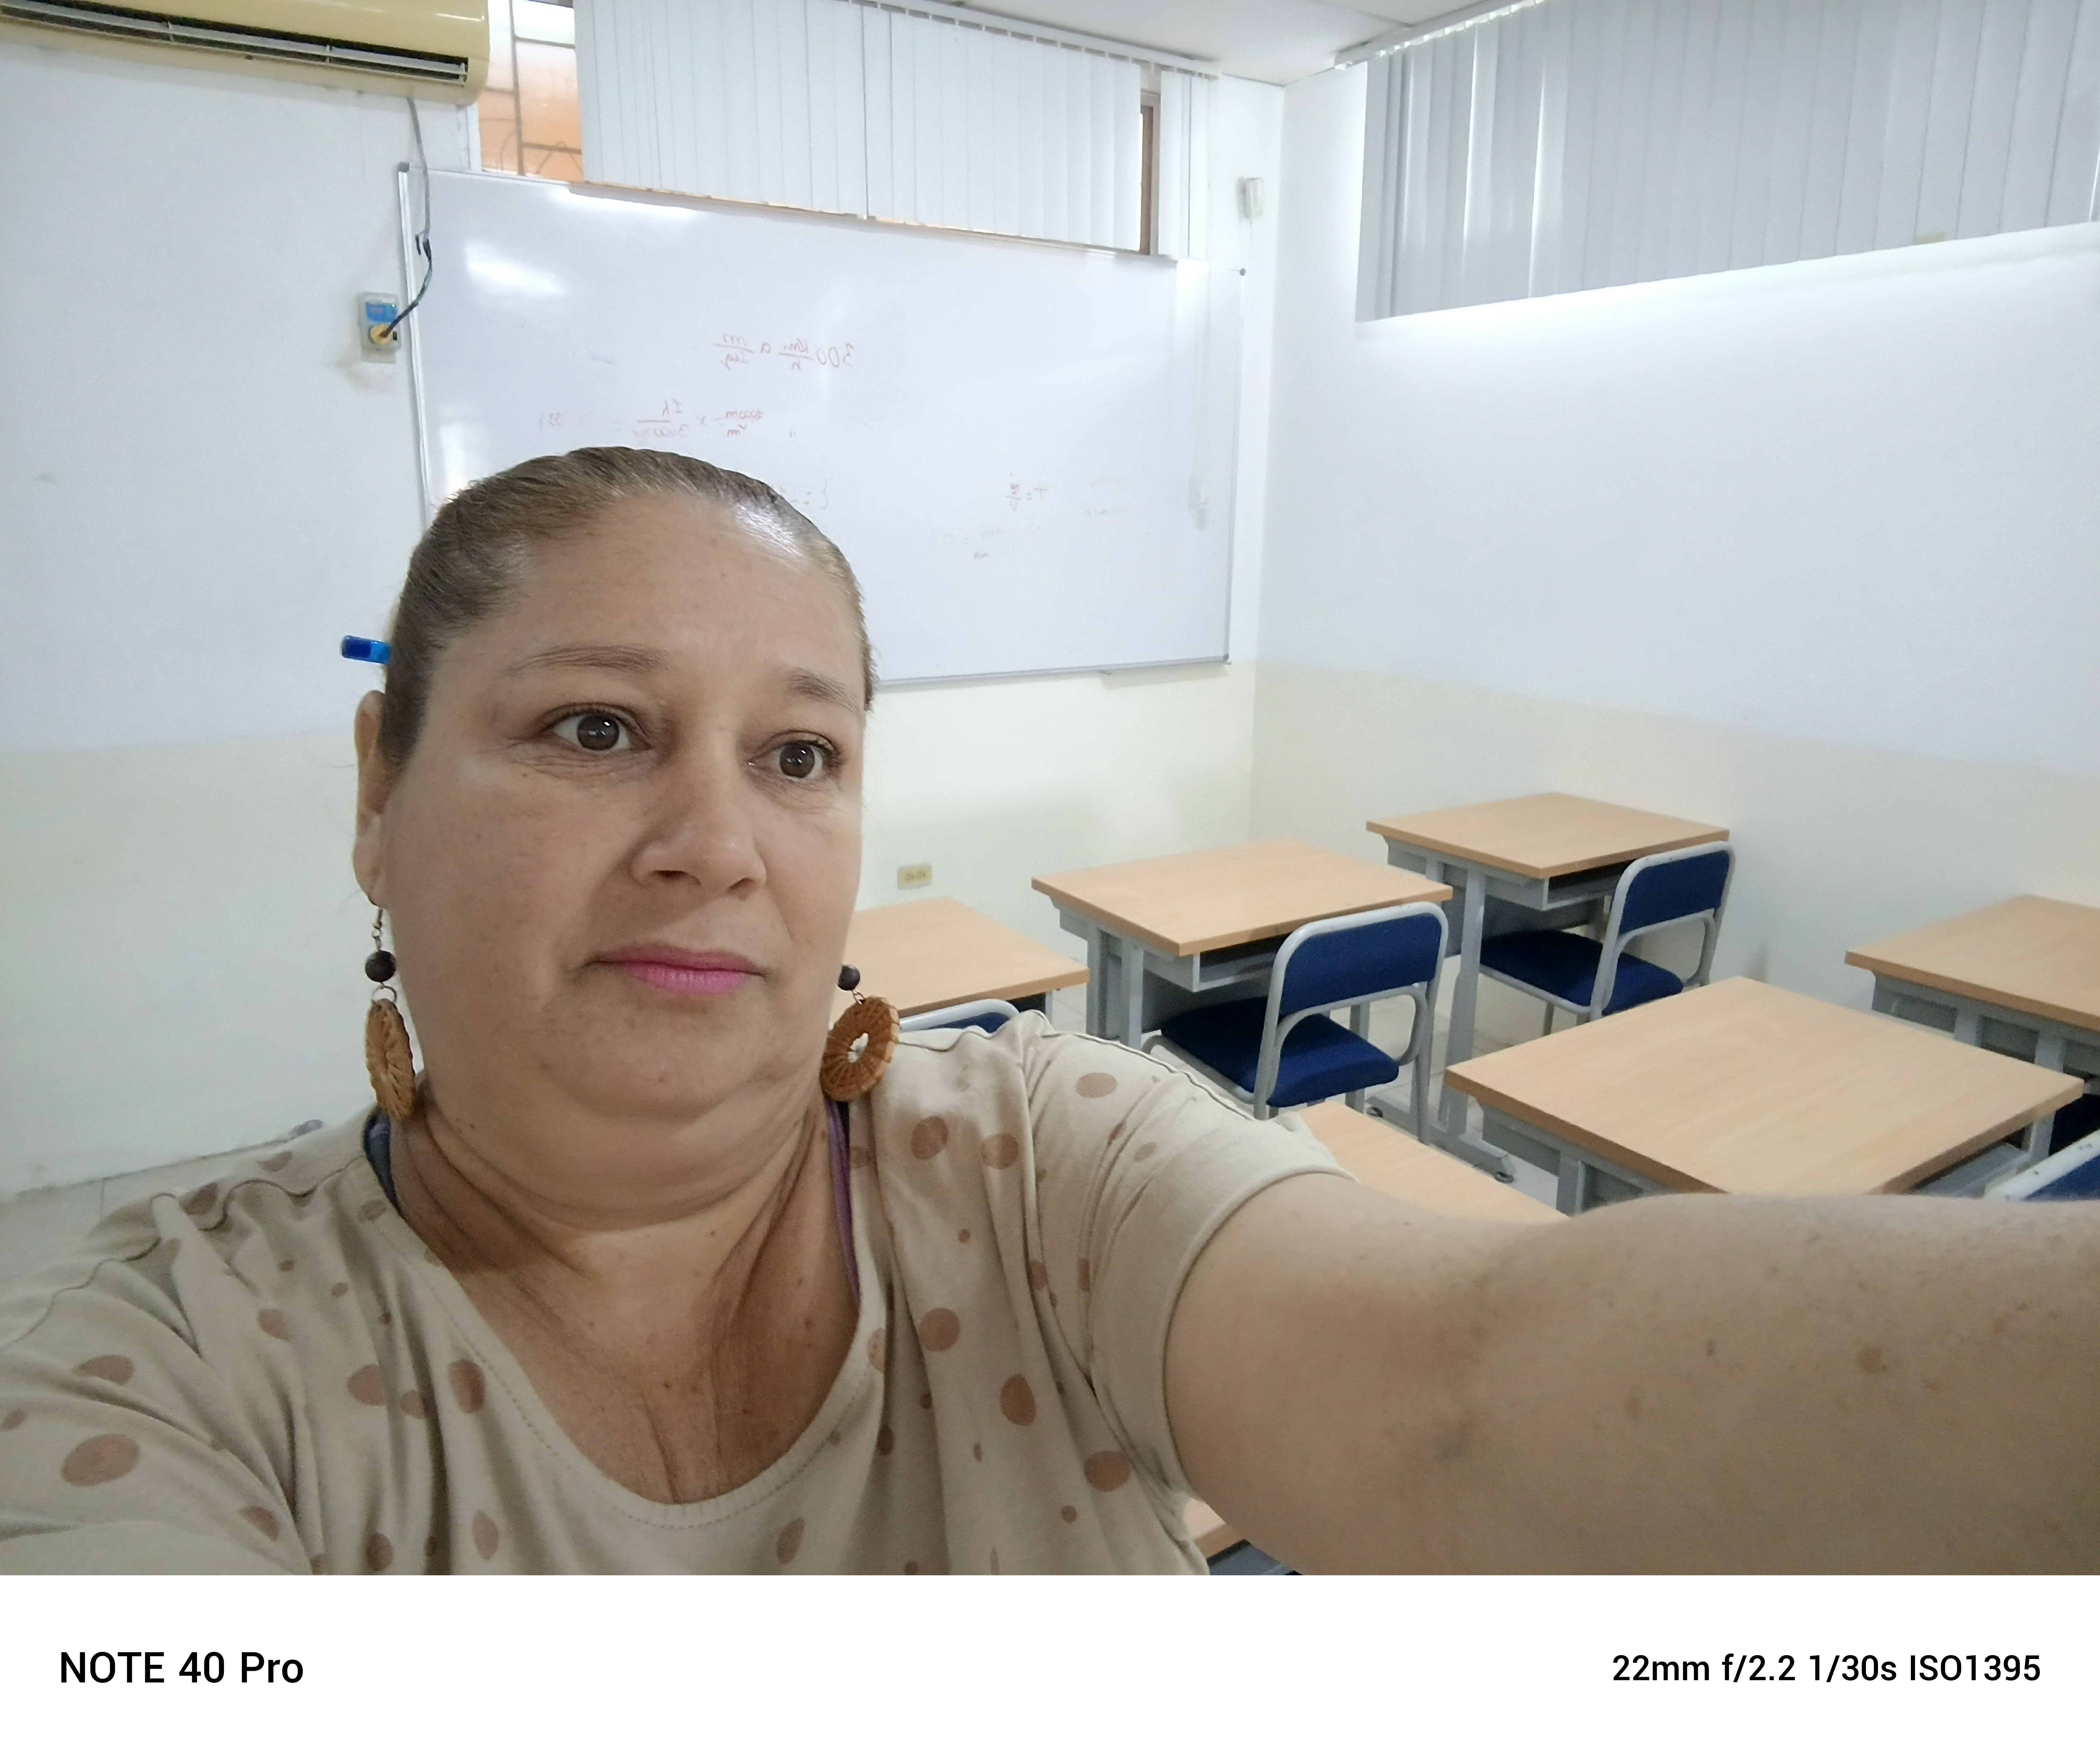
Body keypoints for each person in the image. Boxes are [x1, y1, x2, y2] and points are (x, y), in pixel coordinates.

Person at [1, 448, 2094, 1574]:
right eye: (596, 728)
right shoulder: (155, 1372)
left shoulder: (1041, 1161)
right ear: (378, 791)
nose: (716, 844)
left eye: (800, 757)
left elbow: (1469, 1395)